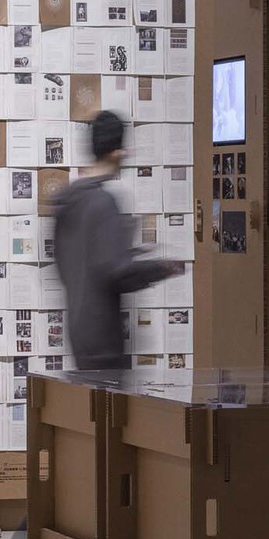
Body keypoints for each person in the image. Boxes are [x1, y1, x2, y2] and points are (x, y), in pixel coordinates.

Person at [52, 111, 179, 371]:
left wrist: (126, 250)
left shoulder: (68, 198)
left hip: (79, 329)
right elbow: (117, 272)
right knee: (111, 410)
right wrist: (163, 267)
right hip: (103, 335)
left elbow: (71, 260)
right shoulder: (103, 202)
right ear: (116, 152)